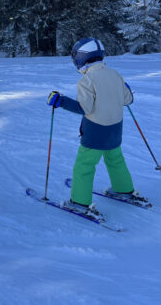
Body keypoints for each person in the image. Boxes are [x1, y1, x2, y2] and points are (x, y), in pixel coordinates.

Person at [47, 37, 147, 218]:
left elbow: (84, 108)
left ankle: (80, 202)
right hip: (115, 129)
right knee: (115, 160)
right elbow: (128, 100)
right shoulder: (115, 74)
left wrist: (60, 101)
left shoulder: (87, 80)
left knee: (84, 166)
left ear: (81, 57)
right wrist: (125, 88)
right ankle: (124, 189)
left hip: (95, 131)